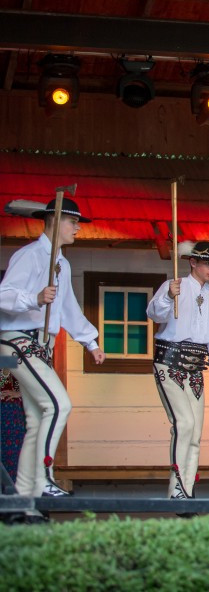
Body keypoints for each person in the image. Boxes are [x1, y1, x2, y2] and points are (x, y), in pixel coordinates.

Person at [0, 197, 105, 497]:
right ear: (56, 222)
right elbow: (3, 294)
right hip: (18, 341)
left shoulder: (62, 263)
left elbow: (68, 307)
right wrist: (33, 299)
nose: (78, 229)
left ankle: (24, 498)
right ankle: (45, 477)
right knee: (59, 404)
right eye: (74, 223)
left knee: (36, 420)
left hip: (39, 345)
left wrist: (90, 341)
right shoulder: (30, 255)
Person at [147, 241, 209, 500]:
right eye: (208, 263)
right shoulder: (174, 286)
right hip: (169, 361)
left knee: (195, 431)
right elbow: (155, 314)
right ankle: (177, 489)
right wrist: (168, 296)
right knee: (183, 423)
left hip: (195, 367)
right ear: (193, 262)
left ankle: (187, 488)